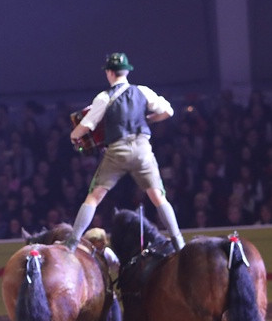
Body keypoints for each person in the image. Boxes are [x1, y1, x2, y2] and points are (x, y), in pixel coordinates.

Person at [66, 53, 185, 250]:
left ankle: (72, 242)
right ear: (127, 71)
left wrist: (73, 135)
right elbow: (168, 111)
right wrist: (149, 119)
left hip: (117, 151)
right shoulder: (143, 91)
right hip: (142, 149)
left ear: (110, 73)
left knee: (94, 197)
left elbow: (87, 125)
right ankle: (178, 240)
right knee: (158, 196)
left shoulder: (104, 98)